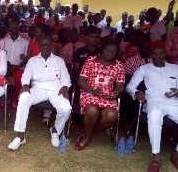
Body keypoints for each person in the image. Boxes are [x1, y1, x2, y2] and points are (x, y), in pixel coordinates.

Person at [7, 35, 72, 150]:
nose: (46, 47)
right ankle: (20, 136)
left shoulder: (59, 61)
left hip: (55, 89)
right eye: (43, 44)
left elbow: (66, 78)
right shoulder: (32, 60)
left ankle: (55, 130)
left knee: (66, 108)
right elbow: (26, 75)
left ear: (51, 45)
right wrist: (25, 85)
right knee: (23, 97)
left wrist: (65, 87)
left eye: (48, 44)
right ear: (39, 46)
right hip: (38, 89)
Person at [126, 41, 178, 172]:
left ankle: (176, 155)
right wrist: (137, 92)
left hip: (173, 102)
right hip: (154, 101)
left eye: (161, 53)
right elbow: (130, 86)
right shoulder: (144, 68)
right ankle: (156, 157)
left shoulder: (175, 68)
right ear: (151, 55)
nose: (158, 56)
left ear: (165, 53)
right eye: (155, 54)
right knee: (154, 115)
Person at [76, 39, 125, 150]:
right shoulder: (91, 60)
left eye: (113, 53)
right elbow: (81, 80)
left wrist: (115, 92)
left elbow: (120, 84)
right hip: (89, 92)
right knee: (92, 110)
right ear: (102, 49)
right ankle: (87, 137)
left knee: (112, 115)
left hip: (107, 95)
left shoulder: (119, 65)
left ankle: (89, 131)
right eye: (108, 51)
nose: (110, 54)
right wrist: (92, 91)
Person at [0, 18, 28, 111]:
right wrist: (6, 67)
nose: (13, 28)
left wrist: (18, 66)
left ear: (18, 27)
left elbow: (26, 59)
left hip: (18, 67)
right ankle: (4, 100)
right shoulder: (2, 41)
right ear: (8, 28)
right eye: (11, 26)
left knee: (20, 81)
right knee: (0, 80)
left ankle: (14, 100)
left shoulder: (25, 42)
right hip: (5, 66)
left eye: (15, 26)